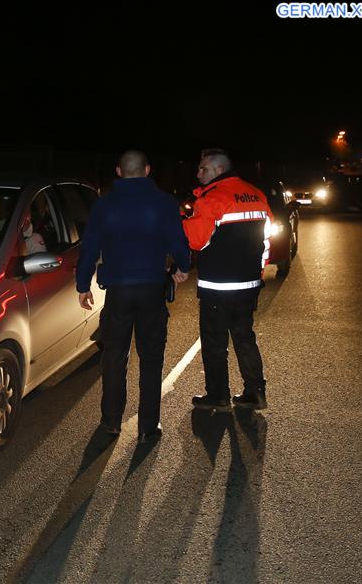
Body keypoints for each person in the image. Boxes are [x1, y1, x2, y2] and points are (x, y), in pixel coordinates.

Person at [76, 150, 191, 443]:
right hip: (152, 289)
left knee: (114, 357)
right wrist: (182, 266)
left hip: (118, 292)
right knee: (151, 359)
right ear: (148, 170)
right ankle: (147, 427)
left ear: (118, 171)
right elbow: (178, 241)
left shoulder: (105, 204)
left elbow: (89, 247)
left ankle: (111, 422)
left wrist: (82, 285)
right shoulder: (164, 202)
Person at [182, 149, 274, 412]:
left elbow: (196, 240)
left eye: (203, 169)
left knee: (214, 342)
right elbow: (266, 239)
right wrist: (258, 272)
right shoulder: (256, 194)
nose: (198, 173)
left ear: (218, 170)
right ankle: (256, 392)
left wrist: (185, 221)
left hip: (218, 286)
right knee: (244, 338)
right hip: (248, 284)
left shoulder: (211, 199)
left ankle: (218, 396)